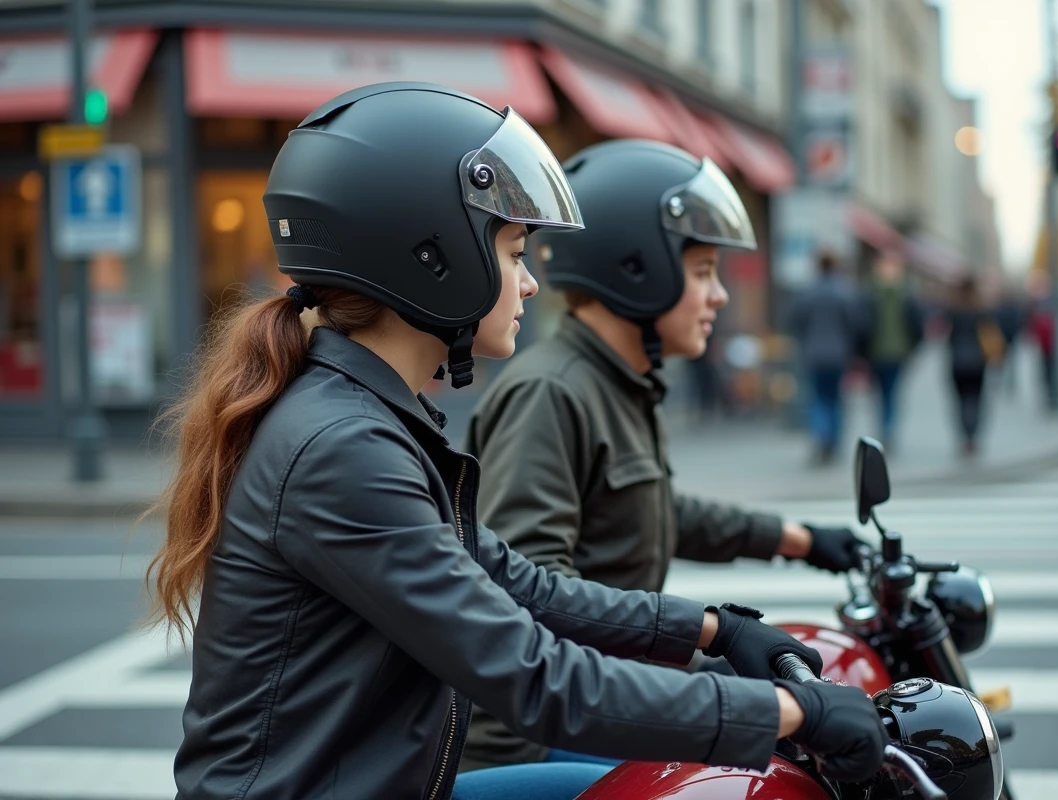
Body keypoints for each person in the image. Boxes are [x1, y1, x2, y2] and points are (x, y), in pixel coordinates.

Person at [142, 84, 886, 800]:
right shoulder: (342, 448)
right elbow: (530, 675)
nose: (530, 283)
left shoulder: (373, 419)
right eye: (513, 252)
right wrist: (789, 715)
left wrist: (717, 629)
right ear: (433, 256)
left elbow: (521, 583)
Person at [458, 139, 868, 773]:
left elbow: (656, 508)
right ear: (636, 266)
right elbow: (535, 595)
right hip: (534, 738)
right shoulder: (552, 390)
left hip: (602, 703)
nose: (721, 296)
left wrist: (801, 540)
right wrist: (708, 656)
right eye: (704, 271)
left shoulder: (617, 381)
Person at [788, 250, 865, 463]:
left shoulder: (807, 292)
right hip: (839, 354)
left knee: (818, 398)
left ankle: (821, 436)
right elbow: (855, 324)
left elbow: (796, 320)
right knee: (836, 398)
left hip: (813, 353)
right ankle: (832, 441)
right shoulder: (845, 291)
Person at [863, 250, 924, 450]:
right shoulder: (904, 292)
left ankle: (885, 430)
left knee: (882, 393)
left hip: (879, 352)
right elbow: (917, 325)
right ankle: (887, 431)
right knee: (890, 394)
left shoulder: (871, 292)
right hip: (895, 352)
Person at [945, 274, 1000, 457]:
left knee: (960, 401)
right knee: (976, 400)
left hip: (958, 361)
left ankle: (965, 436)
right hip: (978, 362)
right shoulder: (981, 309)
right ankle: (972, 436)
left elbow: (949, 338)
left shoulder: (953, 309)